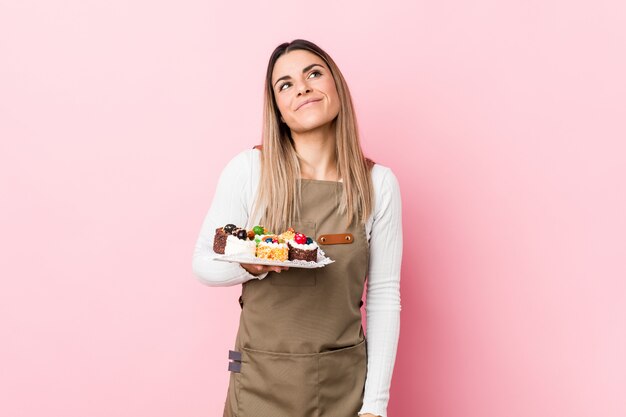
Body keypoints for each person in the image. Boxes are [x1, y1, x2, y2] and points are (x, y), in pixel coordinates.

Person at [192, 39, 402, 417]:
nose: (302, 87)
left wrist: (376, 406)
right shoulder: (249, 170)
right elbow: (203, 262)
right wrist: (251, 264)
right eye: (285, 84)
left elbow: (384, 296)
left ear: (336, 86)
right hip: (258, 384)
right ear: (278, 111)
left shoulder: (378, 185)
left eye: (313, 74)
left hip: (343, 388)